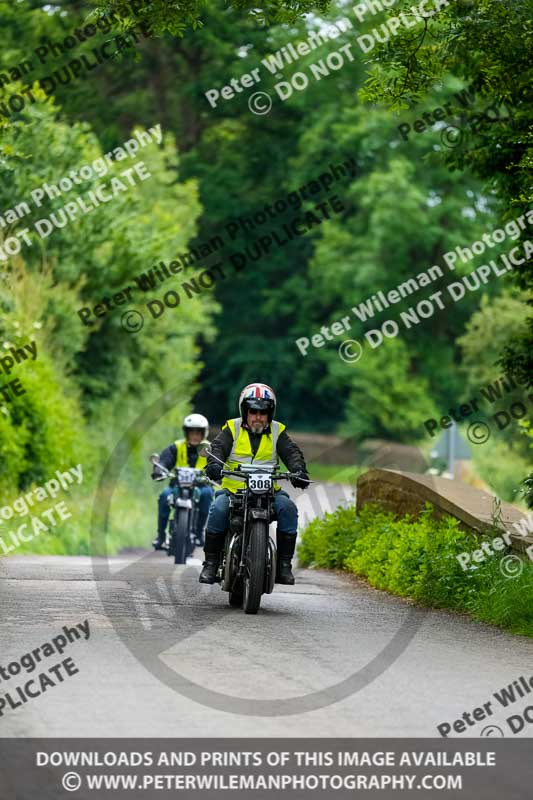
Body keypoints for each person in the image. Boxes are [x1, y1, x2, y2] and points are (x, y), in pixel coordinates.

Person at [199, 383, 309, 586]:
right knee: (218, 508)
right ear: (245, 411)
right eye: (253, 412)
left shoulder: (277, 430)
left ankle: (284, 566)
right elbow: (218, 448)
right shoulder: (232, 428)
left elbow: (291, 453)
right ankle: (211, 563)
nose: (258, 417)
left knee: (288, 508)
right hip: (234, 490)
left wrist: (299, 471)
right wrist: (214, 464)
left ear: (270, 413)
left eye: (263, 412)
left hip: (268, 491)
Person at [151, 413, 213, 550]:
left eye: (198, 432)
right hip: (177, 486)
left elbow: (216, 464)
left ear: (204, 433)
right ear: (186, 433)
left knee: (208, 494)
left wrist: (216, 473)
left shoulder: (210, 449)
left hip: (201, 486)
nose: (195, 436)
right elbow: (165, 459)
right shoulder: (177, 446)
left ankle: (199, 533)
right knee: (164, 496)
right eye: (191, 432)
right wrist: (159, 469)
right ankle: (161, 536)